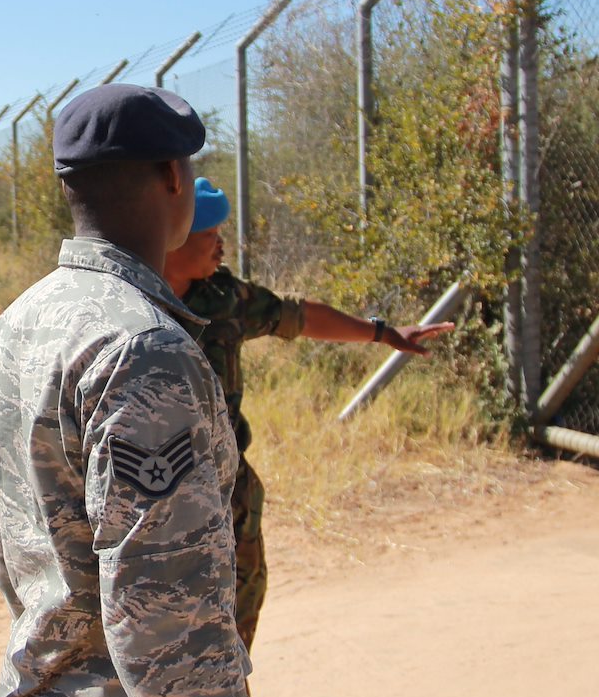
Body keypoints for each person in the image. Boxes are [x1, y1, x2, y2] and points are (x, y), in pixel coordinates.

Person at [0, 86, 339, 697]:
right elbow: (166, 632)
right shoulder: (146, 350)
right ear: (173, 178)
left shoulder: (17, 326)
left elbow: (10, 548)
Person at [164, 177, 450, 648]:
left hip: (227, 493)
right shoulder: (128, 302)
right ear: (175, 238)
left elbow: (297, 316)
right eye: (211, 234)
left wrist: (382, 333)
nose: (221, 245)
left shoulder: (224, 299)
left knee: (235, 626)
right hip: (158, 498)